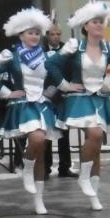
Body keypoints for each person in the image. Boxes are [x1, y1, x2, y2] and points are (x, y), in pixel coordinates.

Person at [46, 0, 110, 211]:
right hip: (79, 99)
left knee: (97, 147)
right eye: (95, 21)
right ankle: (83, 176)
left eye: (101, 21)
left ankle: (94, 195)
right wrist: (65, 85)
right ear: (85, 26)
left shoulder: (108, 48)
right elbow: (51, 64)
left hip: (100, 99)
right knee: (95, 134)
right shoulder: (75, 46)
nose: (99, 25)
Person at [0, 7, 58, 215]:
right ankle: (26, 167)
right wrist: (7, 93)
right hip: (22, 104)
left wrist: (49, 93)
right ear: (21, 35)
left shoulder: (47, 56)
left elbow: (55, 78)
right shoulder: (11, 56)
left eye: (37, 33)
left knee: (41, 149)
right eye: (30, 33)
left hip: (42, 104)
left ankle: (39, 199)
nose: (35, 36)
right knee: (37, 139)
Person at [42, 21, 76, 178]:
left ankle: (65, 167)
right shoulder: (40, 50)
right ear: (47, 35)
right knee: (47, 132)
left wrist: (66, 88)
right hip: (45, 95)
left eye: (58, 34)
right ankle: (45, 168)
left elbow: (71, 70)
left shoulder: (66, 50)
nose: (56, 37)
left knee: (64, 133)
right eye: (52, 34)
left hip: (63, 94)